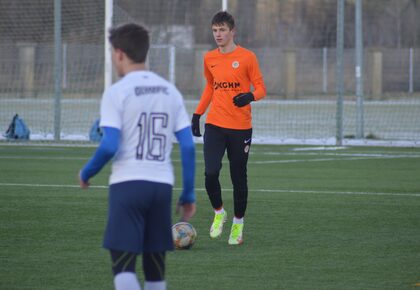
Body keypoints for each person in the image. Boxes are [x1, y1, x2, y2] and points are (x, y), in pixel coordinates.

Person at [78, 23, 196, 290]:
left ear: (119, 54)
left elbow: (109, 146)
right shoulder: (170, 91)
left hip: (128, 186)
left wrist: (86, 173)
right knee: (155, 273)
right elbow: (188, 147)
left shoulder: (116, 92)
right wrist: (188, 194)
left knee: (123, 269)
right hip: (161, 186)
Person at [191, 11, 266, 245]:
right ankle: (219, 212)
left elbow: (262, 88)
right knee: (211, 173)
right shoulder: (209, 58)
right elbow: (210, 88)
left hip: (241, 128)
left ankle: (238, 224)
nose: (218, 35)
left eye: (222, 30)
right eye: (215, 30)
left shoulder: (247, 57)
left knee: (238, 178)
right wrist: (197, 114)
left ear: (232, 31)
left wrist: (249, 97)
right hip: (215, 123)